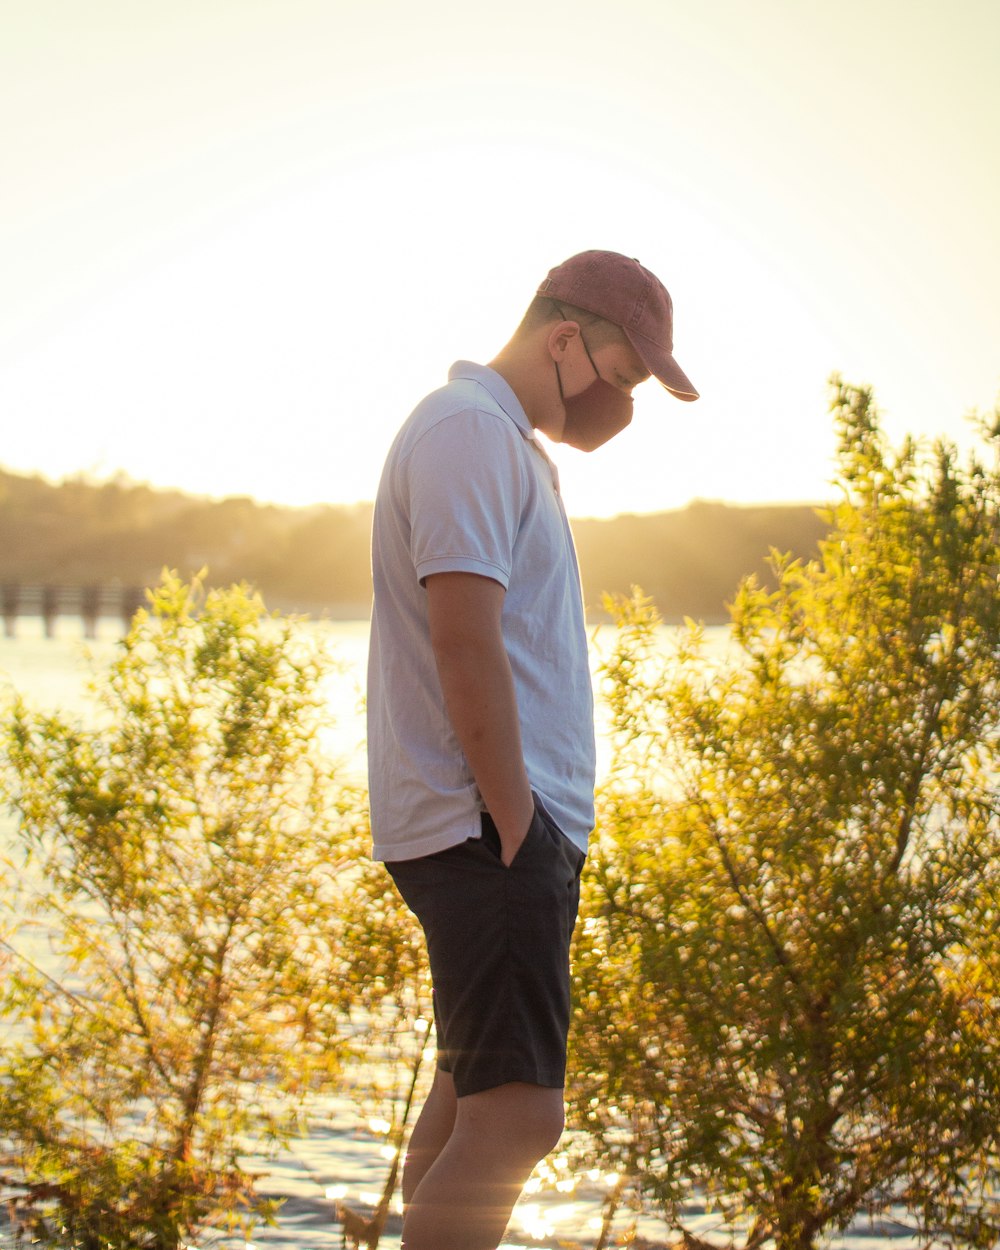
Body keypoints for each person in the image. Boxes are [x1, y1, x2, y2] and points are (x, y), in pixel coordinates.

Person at [366, 249, 698, 1250]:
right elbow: (464, 639)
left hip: (490, 826)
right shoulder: (470, 433)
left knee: (470, 1097)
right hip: (488, 827)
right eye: (623, 373)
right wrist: (518, 820)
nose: (621, 402)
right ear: (566, 339)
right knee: (518, 1119)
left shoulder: (498, 441)